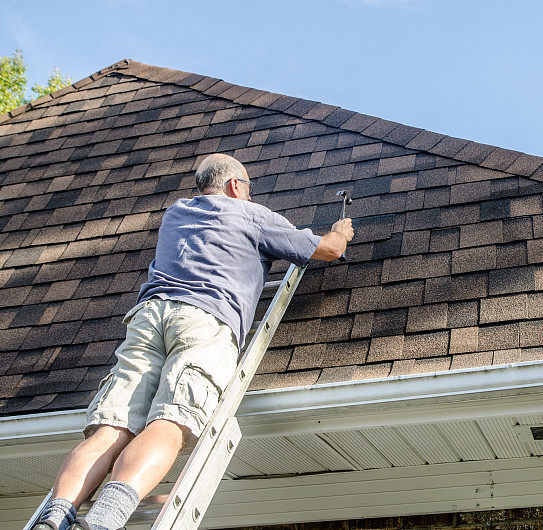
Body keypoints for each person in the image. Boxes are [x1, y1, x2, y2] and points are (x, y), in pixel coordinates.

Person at [33, 153, 354, 530]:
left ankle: (54, 519)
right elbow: (328, 250)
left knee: (113, 427)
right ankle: (103, 522)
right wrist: (340, 232)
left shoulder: (176, 213)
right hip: (203, 320)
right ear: (236, 185)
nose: (249, 195)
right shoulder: (251, 215)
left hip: (149, 317)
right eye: (248, 188)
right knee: (172, 420)